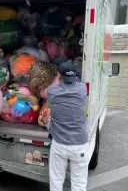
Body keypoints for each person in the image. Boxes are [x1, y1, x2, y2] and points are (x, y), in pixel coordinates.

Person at [47, 62, 88, 191]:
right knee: (79, 183)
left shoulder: (52, 91)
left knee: (56, 181)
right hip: (79, 145)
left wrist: (57, 76)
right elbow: (77, 82)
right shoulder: (82, 89)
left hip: (59, 144)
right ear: (75, 75)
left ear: (59, 75)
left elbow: (54, 84)